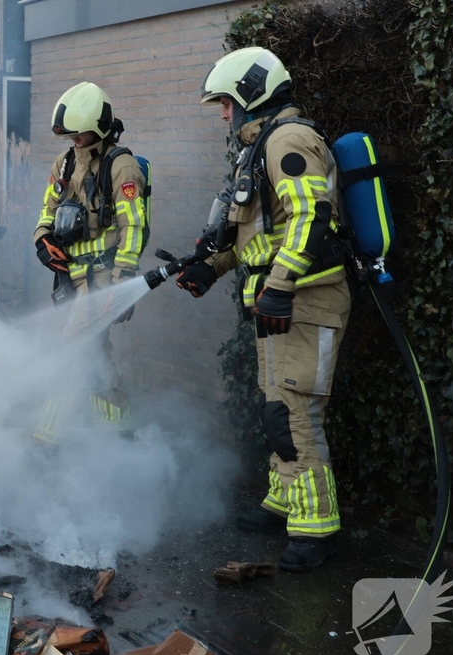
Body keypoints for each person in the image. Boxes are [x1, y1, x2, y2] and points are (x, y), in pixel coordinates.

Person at [176, 47, 351, 572]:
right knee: (275, 406)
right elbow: (259, 234)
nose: (224, 114)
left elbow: (310, 216)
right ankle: (284, 501)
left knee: (295, 411)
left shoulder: (289, 140)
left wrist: (278, 285)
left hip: (306, 299)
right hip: (280, 302)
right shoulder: (259, 147)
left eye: (226, 103)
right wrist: (214, 266)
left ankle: (314, 530)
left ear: (251, 94)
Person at [31, 82, 148, 445]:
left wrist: (121, 278)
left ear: (98, 126)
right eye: (69, 135)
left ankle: (45, 440)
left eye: (79, 134)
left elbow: (134, 226)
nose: (74, 141)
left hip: (103, 277)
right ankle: (119, 431)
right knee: (96, 352)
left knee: (72, 350)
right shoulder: (65, 163)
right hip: (71, 276)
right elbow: (47, 210)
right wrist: (42, 240)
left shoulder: (121, 166)